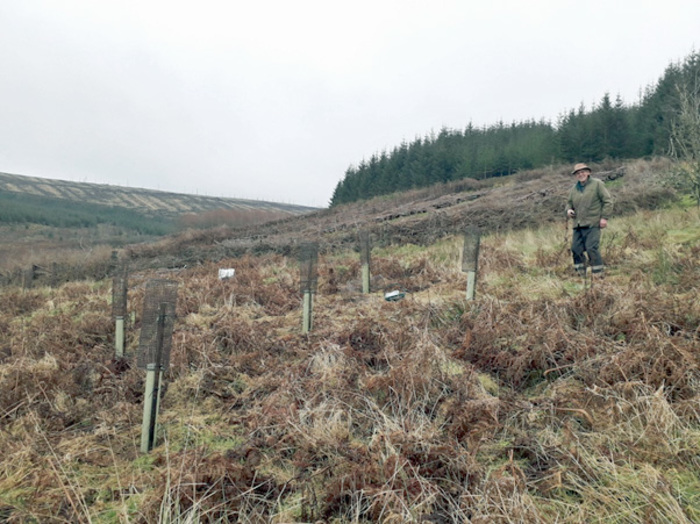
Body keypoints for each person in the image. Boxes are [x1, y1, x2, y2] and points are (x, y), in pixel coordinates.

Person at [566, 163, 613, 277]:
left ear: (588, 172)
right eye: (578, 173)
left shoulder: (597, 184)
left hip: (593, 223)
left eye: (583, 172)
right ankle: (580, 274)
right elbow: (569, 203)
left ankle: (598, 274)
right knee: (575, 249)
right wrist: (568, 210)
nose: (580, 174)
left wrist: (604, 218)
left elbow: (608, 202)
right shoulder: (573, 189)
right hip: (578, 224)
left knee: (592, 248)